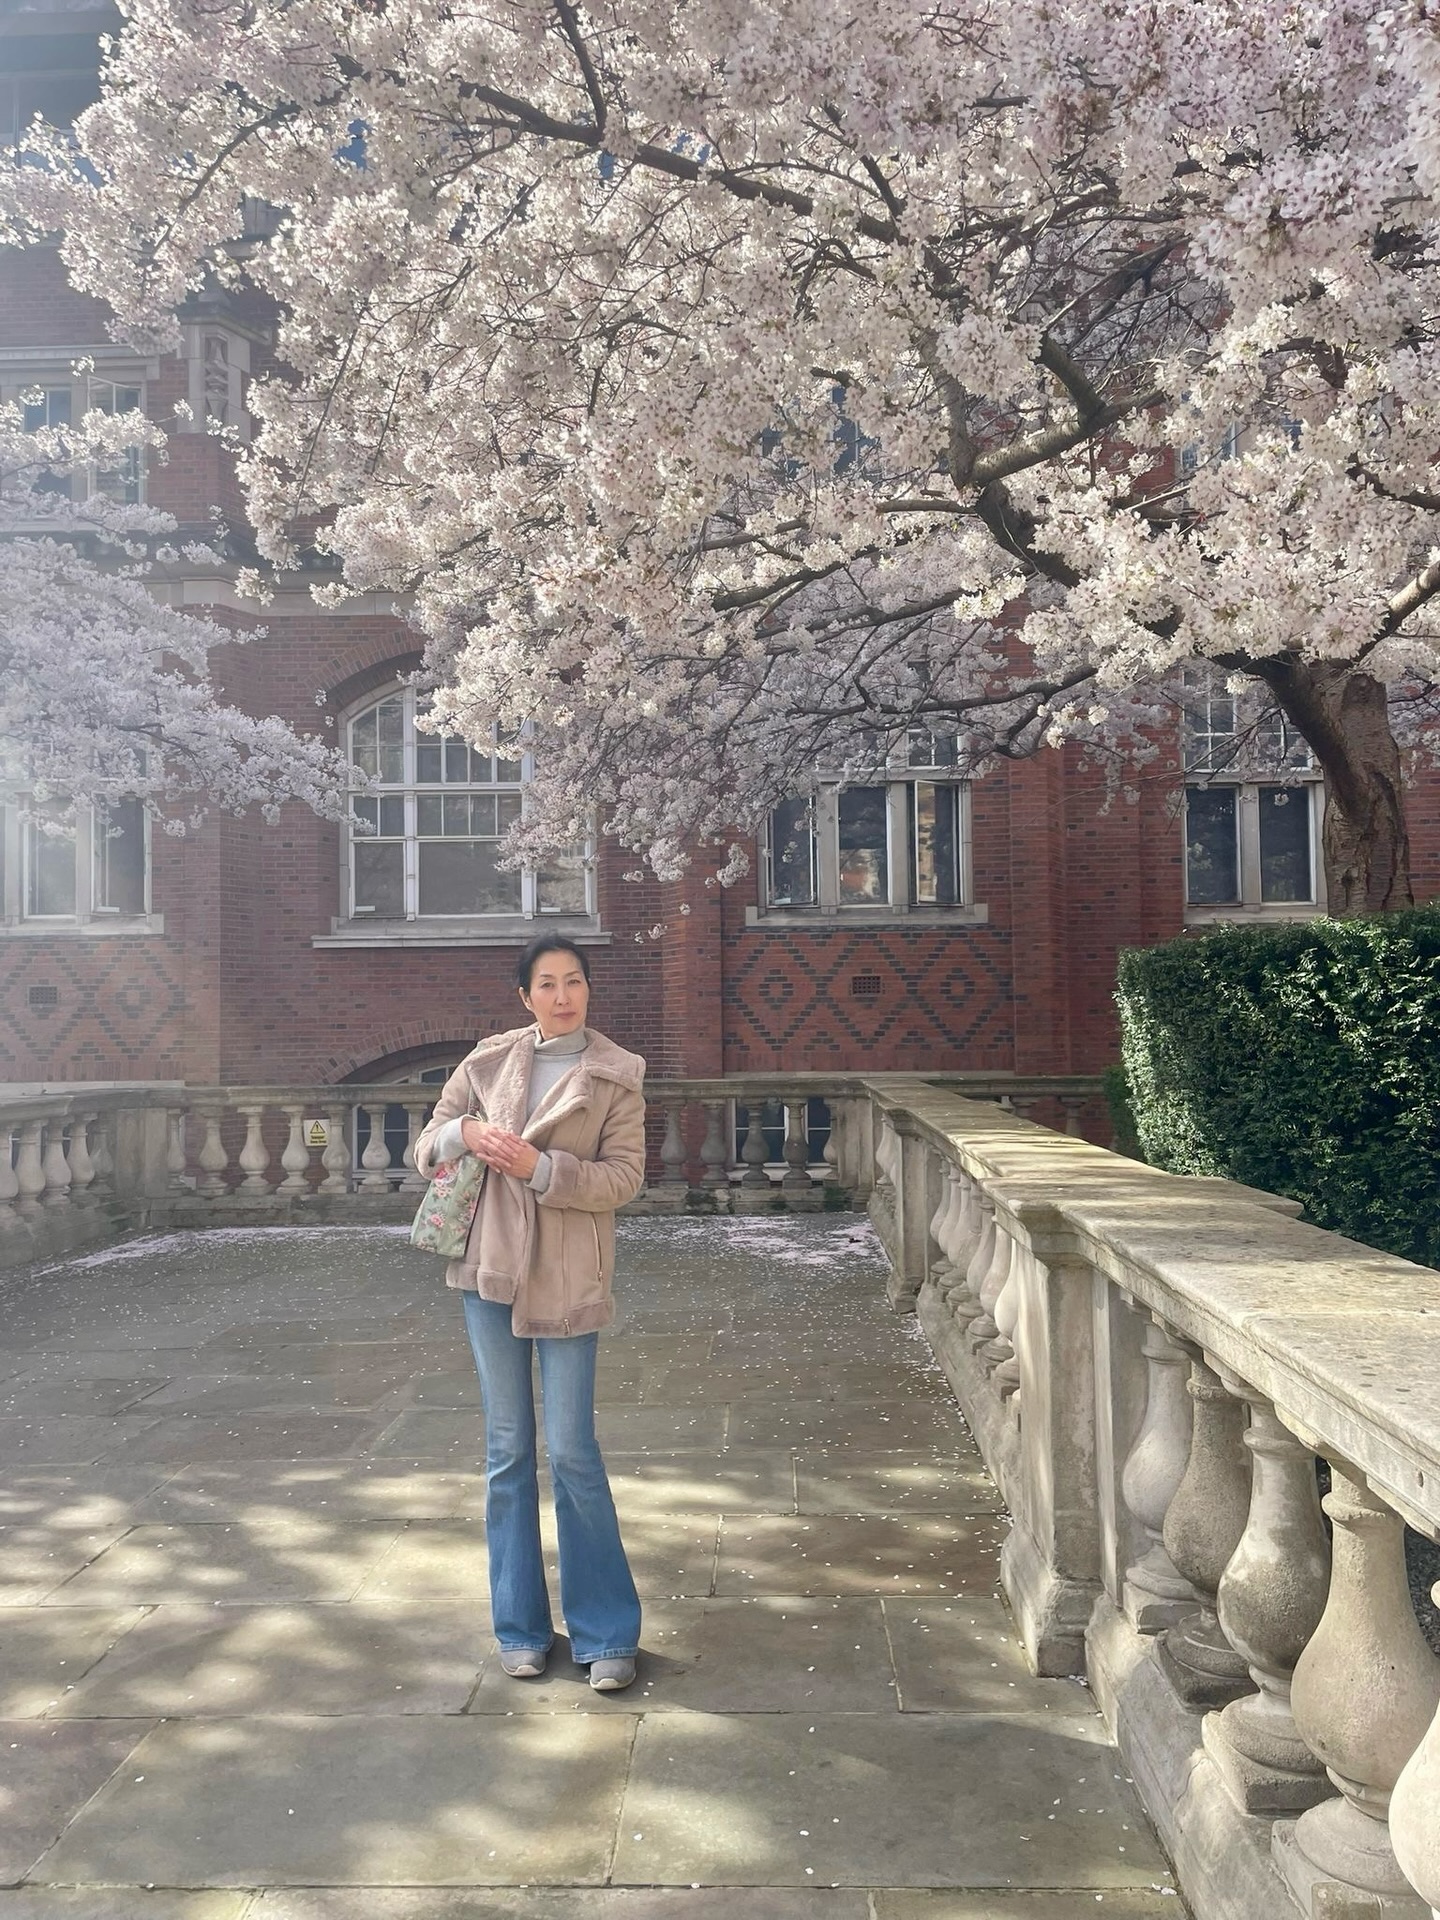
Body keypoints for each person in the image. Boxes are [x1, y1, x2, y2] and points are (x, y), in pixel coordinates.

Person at [413, 936, 646, 1690]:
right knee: (507, 1453)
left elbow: (624, 1179)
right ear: (526, 996)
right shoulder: (486, 1062)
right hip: (489, 1271)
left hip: (570, 1276)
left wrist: (543, 1170)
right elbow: (427, 1144)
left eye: (573, 981)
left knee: (573, 1450)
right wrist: (465, 1133)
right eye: (546, 983)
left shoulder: (616, 1075)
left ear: (588, 989)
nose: (562, 994)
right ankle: (518, 1626)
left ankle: (606, 1630)